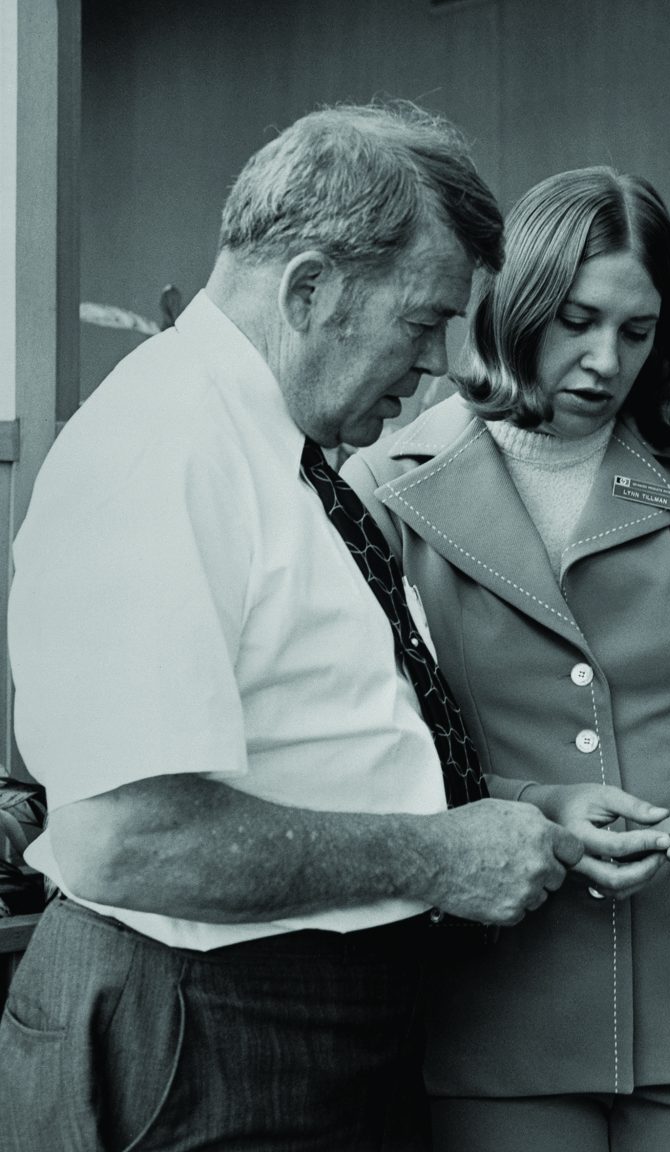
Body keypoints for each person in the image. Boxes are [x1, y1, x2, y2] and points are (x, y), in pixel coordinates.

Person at [0, 103, 585, 1151]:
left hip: (262, 1026)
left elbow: (320, 749)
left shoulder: (268, 450)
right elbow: (127, 839)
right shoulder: (165, 452)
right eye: (423, 322)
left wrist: (514, 814)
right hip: (206, 1035)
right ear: (312, 287)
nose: (442, 367)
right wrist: (437, 858)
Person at [342, 166, 670, 1152]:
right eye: (576, 320)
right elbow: (367, 746)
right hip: (495, 992)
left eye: (638, 331)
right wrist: (533, 809)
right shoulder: (384, 488)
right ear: (514, 304)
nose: (606, 361)